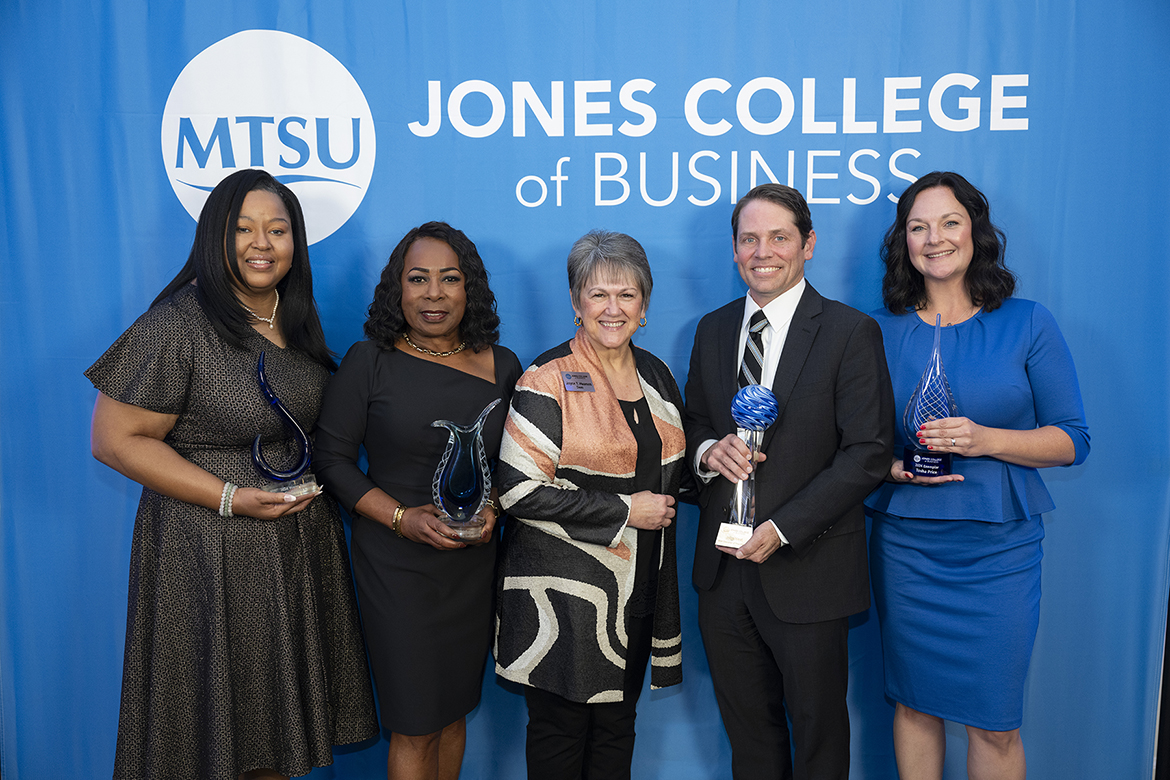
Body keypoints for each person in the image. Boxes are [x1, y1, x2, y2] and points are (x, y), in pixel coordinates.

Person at [86, 168, 377, 780]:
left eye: (277, 229)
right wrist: (229, 498)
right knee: (211, 741)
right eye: (243, 228)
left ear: (297, 243)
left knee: (269, 743)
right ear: (216, 238)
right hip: (205, 552)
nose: (261, 243)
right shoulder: (180, 321)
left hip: (291, 551)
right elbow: (114, 441)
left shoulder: (294, 322)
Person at [865, 171, 1090, 779]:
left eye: (949, 222)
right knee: (914, 706)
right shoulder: (876, 333)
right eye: (918, 227)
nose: (934, 238)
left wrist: (985, 439)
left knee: (995, 722)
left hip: (1000, 553)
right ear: (902, 242)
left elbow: (1073, 440)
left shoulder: (1028, 322)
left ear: (976, 232)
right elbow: (853, 446)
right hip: (909, 549)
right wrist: (892, 468)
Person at [684, 183, 894, 779]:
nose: (763, 251)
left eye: (779, 237)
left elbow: (868, 452)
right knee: (749, 739)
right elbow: (696, 420)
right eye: (748, 238)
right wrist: (707, 451)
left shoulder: (850, 332)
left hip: (808, 569)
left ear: (808, 245)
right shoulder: (713, 329)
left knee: (819, 738)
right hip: (723, 574)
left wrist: (782, 527)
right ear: (733, 250)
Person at [313, 222, 522, 780]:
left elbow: (519, 466)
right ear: (396, 290)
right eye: (418, 279)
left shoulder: (503, 366)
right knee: (414, 722)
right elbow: (330, 460)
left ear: (469, 288)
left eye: (450, 279)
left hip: (472, 566)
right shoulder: (369, 360)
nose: (434, 294)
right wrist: (401, 519)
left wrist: (494, 510)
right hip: (396, 567)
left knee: (453, 713)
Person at [494, 230, 687, 779]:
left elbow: (673, 471)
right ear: (576, 302)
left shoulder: (656, 376)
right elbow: (518, 489)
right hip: (564, 604)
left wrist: (715, 458)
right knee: (560, 744)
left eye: (626, 295)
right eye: (598, 294)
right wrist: (626, 510)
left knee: (614, 740)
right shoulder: (546, 377)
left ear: (645, 305)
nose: (612, 308)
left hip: (635, 595)